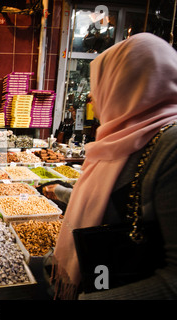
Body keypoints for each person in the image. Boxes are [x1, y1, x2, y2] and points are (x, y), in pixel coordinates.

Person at [47, 33, 177, 300]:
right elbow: (111, 208)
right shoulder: (119, 141)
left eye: (102, 84)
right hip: (98, 279)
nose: (92, 97)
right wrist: (59, 191)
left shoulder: (171, 148)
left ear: (129, 85)